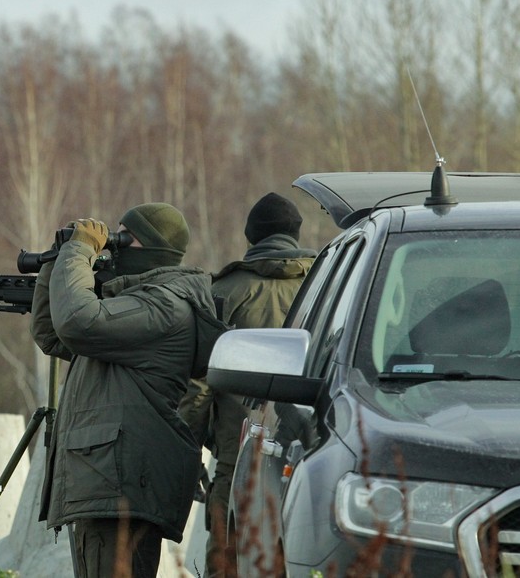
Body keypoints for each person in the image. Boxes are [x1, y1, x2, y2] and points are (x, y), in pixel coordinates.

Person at [31, 202, 214, 578]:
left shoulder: (165, 306)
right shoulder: (138, 304)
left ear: (151, 250)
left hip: (120, 485)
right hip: (107, 479)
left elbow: (78, 322)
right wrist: (61, 255)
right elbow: (52, 333)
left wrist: (80, 253)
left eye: (123, 238)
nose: (112, 247)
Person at [178, 192, 317, 578]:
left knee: (229, 558)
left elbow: (200, 383)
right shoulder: (328, 284)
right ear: (295, 232)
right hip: (314, 453)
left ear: (251, 236)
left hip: (239, 453)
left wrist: (188, 453)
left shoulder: (225, 291)